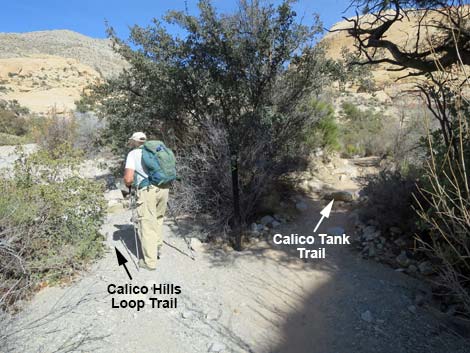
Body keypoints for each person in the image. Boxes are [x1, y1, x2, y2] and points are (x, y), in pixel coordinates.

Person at [123, 132, 169, 271]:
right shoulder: (155, 150)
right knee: (158, 218)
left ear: (134, 141)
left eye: (132, 141)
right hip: (163, 187)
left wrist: (128, 185)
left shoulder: (133, 154)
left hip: (147, 190)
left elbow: (129, 178)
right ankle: (157, 248)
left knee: (147, 224)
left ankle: (149, 262)